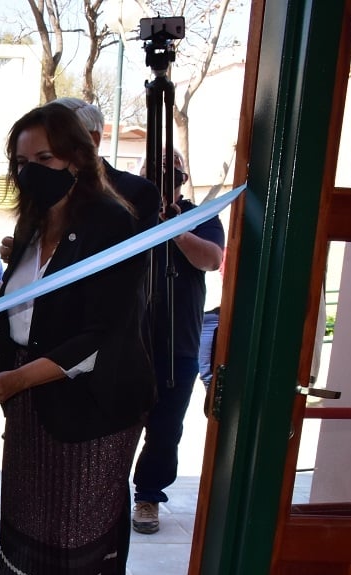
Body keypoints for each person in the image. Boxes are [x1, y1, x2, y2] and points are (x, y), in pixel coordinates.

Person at [0, 102, 154, 575]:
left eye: (44, 158)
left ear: (78, 157)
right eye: (22, 161)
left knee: (75, 537)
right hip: (33, 400)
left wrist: (16, 380)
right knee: (46, 529)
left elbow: (99, 333)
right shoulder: (33, 224)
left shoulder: (112, 222)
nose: (32, 171)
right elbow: (17, 311)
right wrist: (11, 378)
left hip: (92, 407)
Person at [131, 150, 225, 534]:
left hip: (178, 344)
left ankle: (148, 496)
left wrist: (175, 229)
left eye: (170, 173)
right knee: (113, 424)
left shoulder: (200, 216)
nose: (160, 180)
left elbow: (212, 259)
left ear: (183, 180)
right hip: (126, 342)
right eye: (151, 172)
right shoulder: (125, 214)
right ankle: (102, 495)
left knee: (165, 429)